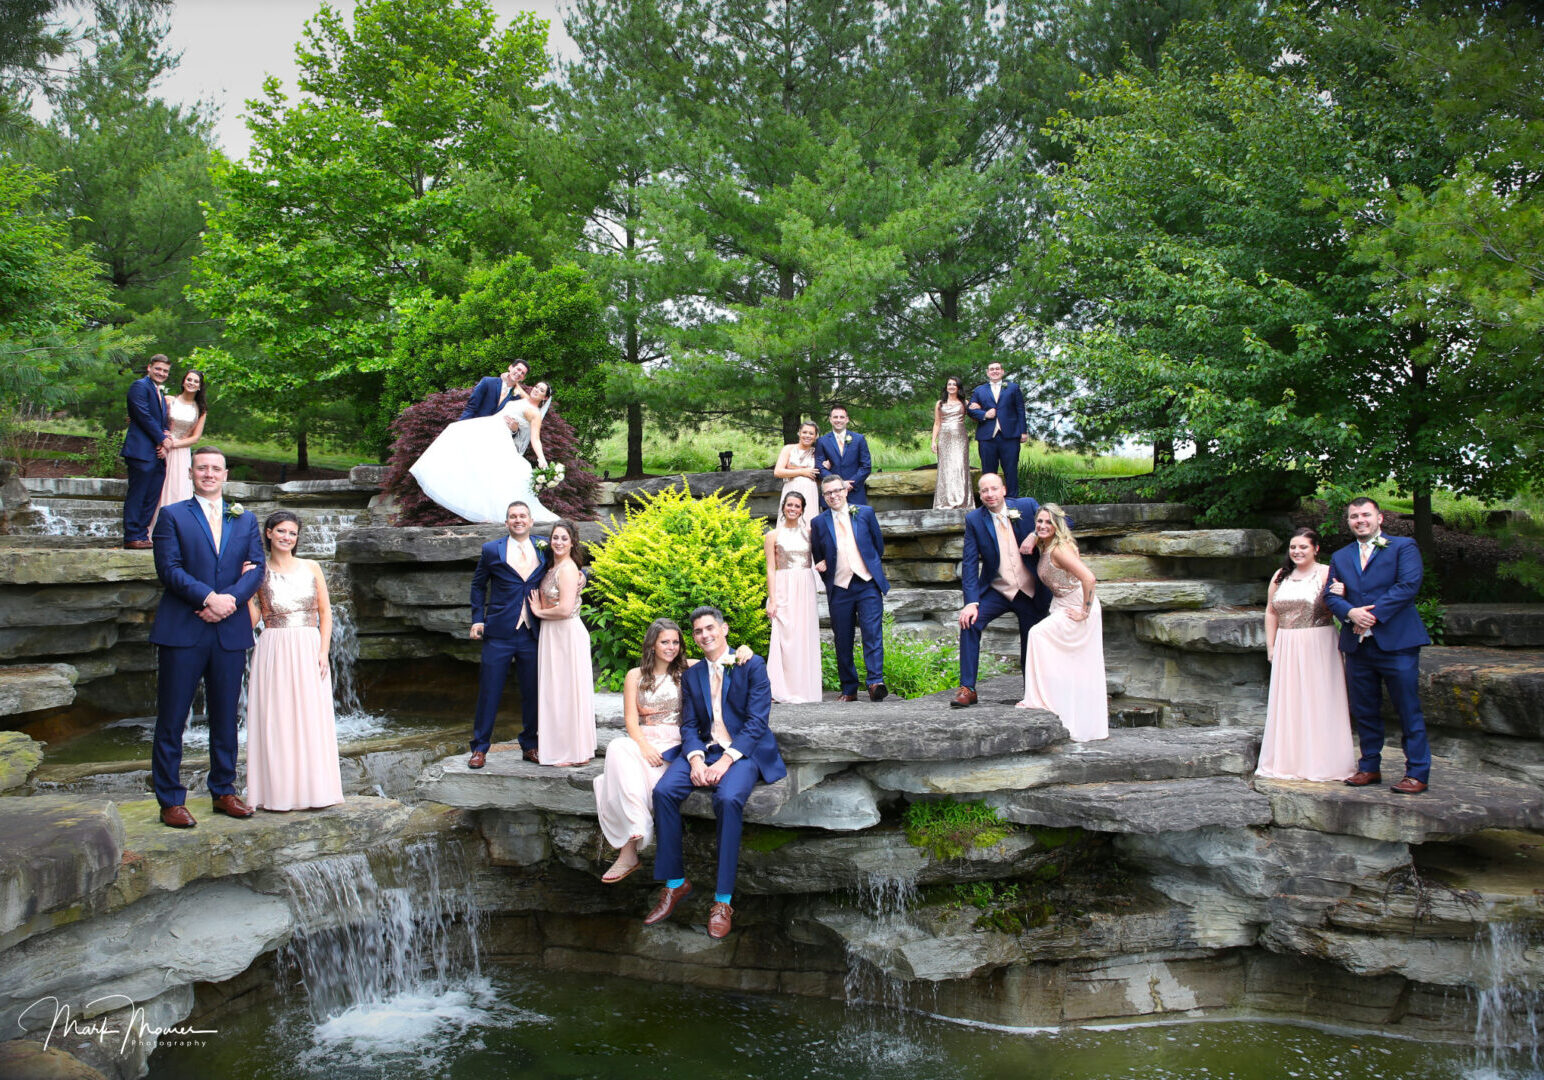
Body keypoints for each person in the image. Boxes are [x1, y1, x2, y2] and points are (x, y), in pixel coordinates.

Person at [645, 606, 787, 939]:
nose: (705, 635)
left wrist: (725, 762)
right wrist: (695, 760)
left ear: (723, 629)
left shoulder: (751, 663)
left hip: (742, 753)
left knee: (727, 798)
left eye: (710, 628)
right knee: (664, 792)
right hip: (703, 749)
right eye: (697, 631)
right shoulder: (692, 674)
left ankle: (722, 901)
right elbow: (690, 724)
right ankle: (676, 882)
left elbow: (756, 723)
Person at [147, 446, 265, 827]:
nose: (209, 474)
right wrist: (208, 597)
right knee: (172, 717)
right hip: (184, 629)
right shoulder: (172, 516)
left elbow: (257, 568)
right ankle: (170, 800)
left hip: (230, 630)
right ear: (192, 473)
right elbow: (169, 568)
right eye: (202, 468)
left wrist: (230, 599)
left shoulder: (244, 519)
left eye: (216, 468)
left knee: (226, 715)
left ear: (226, 474)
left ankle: (224, 791)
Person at [1324, 497, 1432, 794]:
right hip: (1358, 646)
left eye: (1365, 515)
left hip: (1397, 643)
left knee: (1408, 708)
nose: (1360, 520)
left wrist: (1369, 615)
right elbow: (1331, 595)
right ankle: (1369, 766)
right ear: (1348, 521)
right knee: (1364, 708)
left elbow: (1407, 586)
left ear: (1379, 518)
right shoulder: (1341, 556)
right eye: (1354, 516)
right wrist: (1349, 612)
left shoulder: (1403, 547)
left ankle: (1417, 772)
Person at [244, 511, 345, 811]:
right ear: (269, 534)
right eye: (281, 531)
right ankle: (278, 793)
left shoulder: (312, 567)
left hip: (308, 644)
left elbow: (325, 613)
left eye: (292, 533)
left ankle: (316, 790)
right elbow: (253, 619)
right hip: (273, 646)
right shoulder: (259, 572)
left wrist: (323, 651)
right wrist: (243, 585)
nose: (287, 537)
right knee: (277, 719)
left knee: (311, 717)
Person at [593, 619, 690, 883]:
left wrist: (743, 651)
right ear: (652, 644)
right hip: (643, 741)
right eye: (664, 642)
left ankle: (628, 852)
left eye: (675, 642)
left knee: (619, 779)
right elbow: (630, 721)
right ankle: (639, 827)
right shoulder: (635, 675)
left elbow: (722, 659)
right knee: (617, 746)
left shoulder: (687, 670)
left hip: (672, 746)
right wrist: (643, 746)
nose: (671, 647)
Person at [1257, 527, 1356, 782]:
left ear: (1316, 549)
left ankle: (1322, 762)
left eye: (1303, 547)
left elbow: (1341, 603)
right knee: (1289, 702)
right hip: (1287, 643)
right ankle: (1289, 761)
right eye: (1293, 547)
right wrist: (1271, 646)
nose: (1297, 551)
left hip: (1318, 641)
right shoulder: (1280, 575)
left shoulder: (1325, 574)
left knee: (1319, 699)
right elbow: (1271, 611)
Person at [952, 472, 1048, 707]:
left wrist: (1036, 535)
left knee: (1032, 640)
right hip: (997, 589)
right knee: (969, 622)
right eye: (984, 490)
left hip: (1030, 590)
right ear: (980, 494)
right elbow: (970, 562)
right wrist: (971, 602)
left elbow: (1065, 522)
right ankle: (968, 689)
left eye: (994, 489)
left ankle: (1032, 693)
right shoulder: (974, 519)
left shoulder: (1027, 506)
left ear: (1004, 490)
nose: (989, 494)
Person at [1015, 503, 1107, 742]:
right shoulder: (1046, 543)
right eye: (1039, 522)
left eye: (1048, 522)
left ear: (1057, 526)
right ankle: (1061, 709)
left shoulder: (1059, 549)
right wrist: (1034, 535)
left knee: (1037, 634)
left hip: (1076, 606)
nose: (1043, 526)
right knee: (1068, 663)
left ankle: (1040, 701)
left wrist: (1084, 612)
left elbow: (1089, 578)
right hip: (1061, 603)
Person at [467, 501, 546, 768]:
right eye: (513, 517)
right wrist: (478, 619)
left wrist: (580, 575)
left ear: (531, 521)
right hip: (499, 632)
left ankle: (530, 744)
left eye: (523, 516)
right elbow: (478, 586)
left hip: (532, 632)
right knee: (489, 690)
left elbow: (565, 565)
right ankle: (479, 748)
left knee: (533, 691)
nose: (518, 520)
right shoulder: (492, 550)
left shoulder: (544, 547)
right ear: (506, 523)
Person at [410, 380, 557, 524]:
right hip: (490, 426)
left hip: (499, 435)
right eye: (536, 386)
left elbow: (535, 438)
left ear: (545, 398)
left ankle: (491, 514)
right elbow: (516, 384)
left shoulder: (535, 413)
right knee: (456, 433)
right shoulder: (524, 399)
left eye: (541, 390)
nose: (536, 390)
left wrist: (541, 459)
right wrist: (511, 378)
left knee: (492, 474)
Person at [809, 474, 889, 701]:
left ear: (845, 491)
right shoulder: (819, 522)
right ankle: (849, 688)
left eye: (837, 491)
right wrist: (826, 569)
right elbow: (819, 555)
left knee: (872, 633)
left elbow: (878, 546)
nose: (833, 496)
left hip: (867, 584)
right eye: (828, 493)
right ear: (823, 497)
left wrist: (868, 568)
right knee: (842, 638)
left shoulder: (864, 513)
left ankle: (875, 682)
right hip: (840, 587)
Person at [530, 519, 595, 767]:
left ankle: (572, 752)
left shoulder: (568, 569)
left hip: (565, 633)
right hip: (553, 633)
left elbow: (566, 609)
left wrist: (538, 612)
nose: (558, 542)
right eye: (555, 537)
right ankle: (569, 748)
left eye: (564, 539)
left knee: (567, 692)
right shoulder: (551, 565)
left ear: (572, 542)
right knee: (558, 692)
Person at [763, 491, 821, 703]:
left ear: (802, 509)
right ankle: (780, 689)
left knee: (803, 635)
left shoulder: (810, 532)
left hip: (805, 584)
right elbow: (770, 568)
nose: (793, 509)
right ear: (783, 507)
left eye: (797, 506)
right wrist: (772, 599)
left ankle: (804, 689)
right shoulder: (773, 535)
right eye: (790, 505)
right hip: (783, 584)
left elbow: (821, 556)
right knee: (784, 635)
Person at [121, 354, 173, 549]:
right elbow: (143, 416)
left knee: (152, 494)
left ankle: (142, 534)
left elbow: (159, 421)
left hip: (156, 453)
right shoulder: (139, 386)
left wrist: (164, 438)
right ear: (149, 367)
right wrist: (161, 439)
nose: (161, 373)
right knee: (139, 494)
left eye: (165, 371)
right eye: (158, 369)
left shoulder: (157, 391)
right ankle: (132, 535)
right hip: (140, 451)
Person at [154, 368, 208, 528]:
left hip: (181, 452)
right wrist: (164, 442)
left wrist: (173, 444)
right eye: (189, 379)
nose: (192, 383)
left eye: (196, 381)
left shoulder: (201, 409)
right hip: (162, 448)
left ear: (199, 386)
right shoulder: (169, 400)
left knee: (178, 489)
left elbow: (195, 438)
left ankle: (176, 528)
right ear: (183, 381)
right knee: (160, 487)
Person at [967, 361, 1029, 498]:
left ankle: (1012, 501)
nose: (994, 371)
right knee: (989, 472)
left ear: (1002, 372)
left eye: (997, 369)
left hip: (1010, 435)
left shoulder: (1013, 388)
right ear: (988, 373)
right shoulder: (979, 391)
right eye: (991, 369)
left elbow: (1020, 409)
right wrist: (984, 414)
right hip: (987, 437)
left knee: (1011, 470)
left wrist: (1023, 431)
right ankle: (991, 501)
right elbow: (970, 411)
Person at [814, 405, 872, 505]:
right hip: (831, 494)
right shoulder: (822, 441)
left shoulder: (859, 439)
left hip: (855, 493)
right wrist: (839, 484)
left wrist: (850, 484)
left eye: (841, 417)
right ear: (830, 419)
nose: (838, 420)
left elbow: (866, 466)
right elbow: (819, 467)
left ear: (847, 419)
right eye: (835, 417)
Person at [931, 376, 971, 510]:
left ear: (958, 387)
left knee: (960, 467)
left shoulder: (964, 403)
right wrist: (933, 441)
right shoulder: (940, 403)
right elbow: (937, 423)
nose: (952, 386)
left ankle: (962, 501)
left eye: (954, 384)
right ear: (946, 387)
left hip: (960, 438)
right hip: (944, 437)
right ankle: (944, 501)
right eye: (949, 384)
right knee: (945, 468)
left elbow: (975, 414)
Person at [773, 421, 821, 514]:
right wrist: (802, 471)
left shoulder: (817, 453)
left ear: (816, 437)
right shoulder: (788, 449)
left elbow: (819, 475)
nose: (807, 435)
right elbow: (778, 472)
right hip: (791, 488)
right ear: (799, 433)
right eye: (804, 432)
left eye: (811, 433)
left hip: (810, 491)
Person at [460, 360, 529, 420]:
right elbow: (471, 407)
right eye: (518, 369)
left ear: (523, 378)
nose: (519, 373)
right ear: (510, 367)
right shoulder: (487, 382)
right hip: (475, 426)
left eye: (522, 373)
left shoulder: (518, 397)